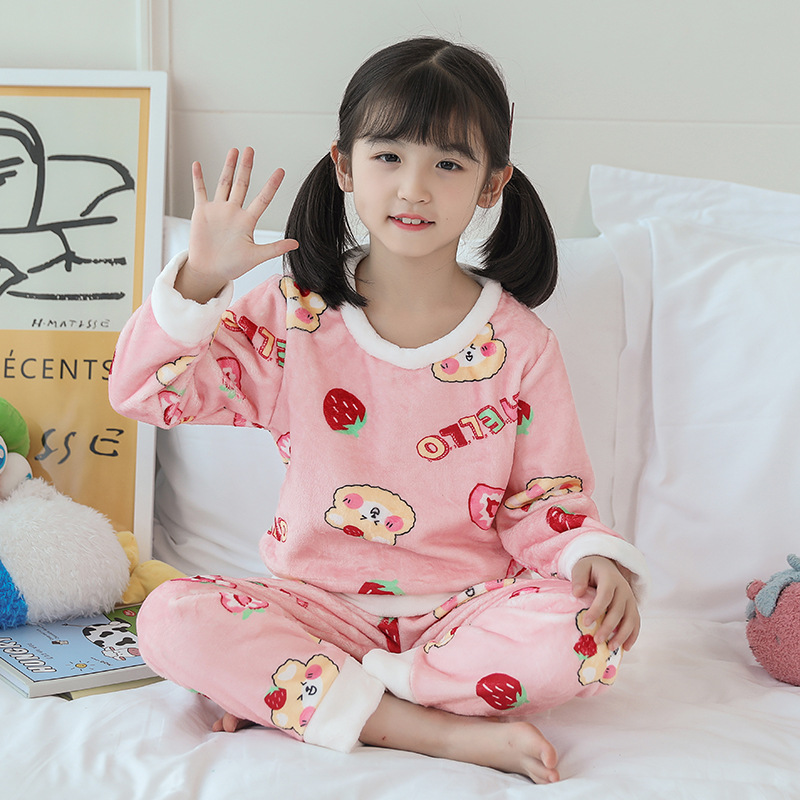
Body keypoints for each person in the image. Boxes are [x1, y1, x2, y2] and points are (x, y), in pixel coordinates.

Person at [109, 37, 647, 784]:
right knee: (170, 617)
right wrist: (200, 278)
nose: (414, 188)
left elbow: (544, 500)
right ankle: (428, 729)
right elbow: (146, 392)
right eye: (388, 156)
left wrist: (589, 558)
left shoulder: (519, 344)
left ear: (493, 184)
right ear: (344, 166)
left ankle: (313, 696)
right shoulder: (294, 315)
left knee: (585, 637)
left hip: (465, 614)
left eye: (448, 164)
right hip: (312, 609)